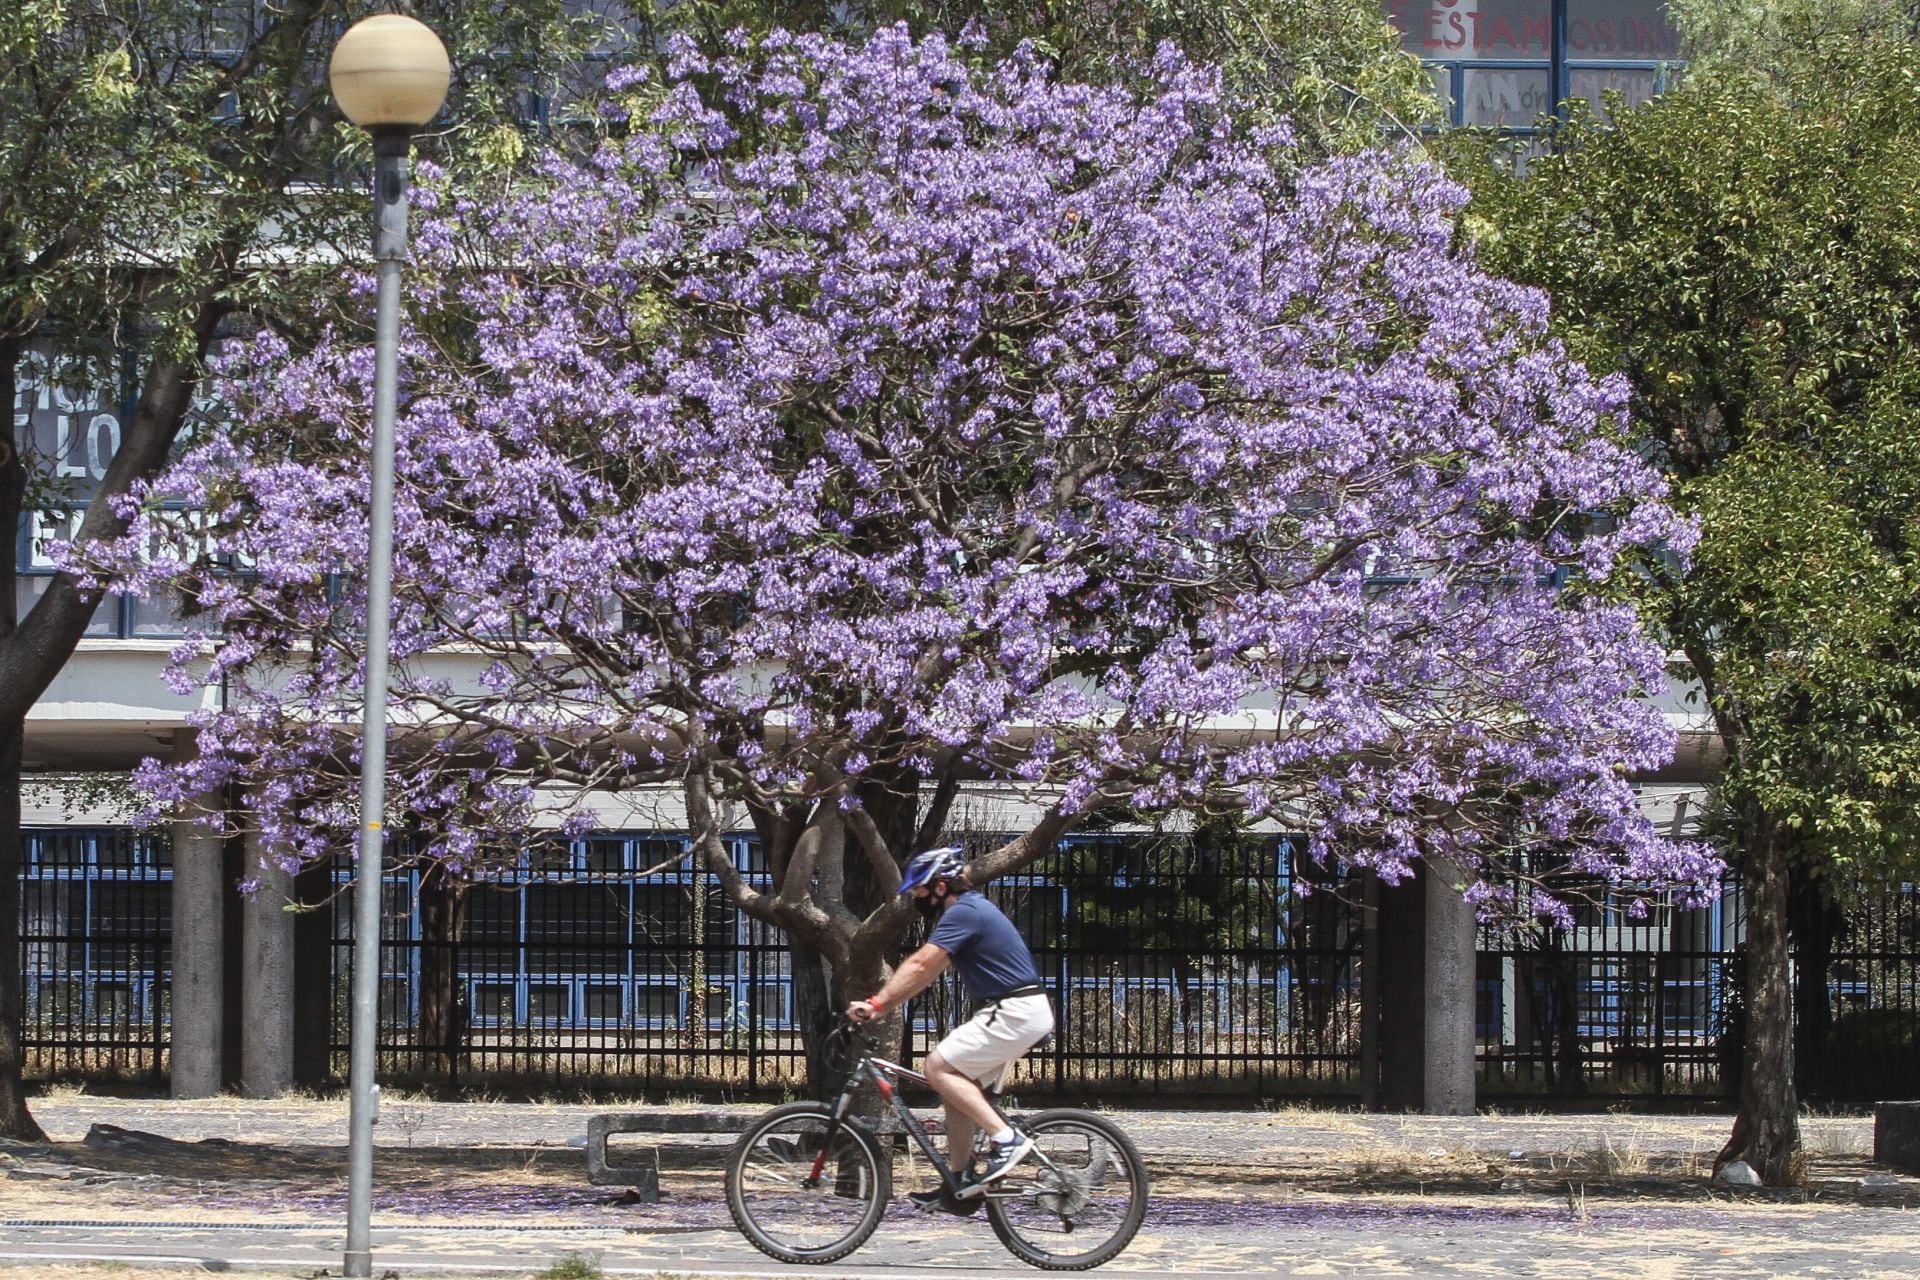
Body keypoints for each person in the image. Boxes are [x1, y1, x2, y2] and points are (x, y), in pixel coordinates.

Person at [847, 845, 1055, 1215]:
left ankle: (1007, 1139)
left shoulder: (964, 911)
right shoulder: (967, 912)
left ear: (941, 887)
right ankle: (960, 1185)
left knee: (937, 1067)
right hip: (1015, 1010)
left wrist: (877, 1005)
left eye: (920, 891)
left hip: (1014, 1009)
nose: (917, 899)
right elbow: (925, 974)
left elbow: (922, 963)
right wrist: (887, 1004)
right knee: (956, 1088)